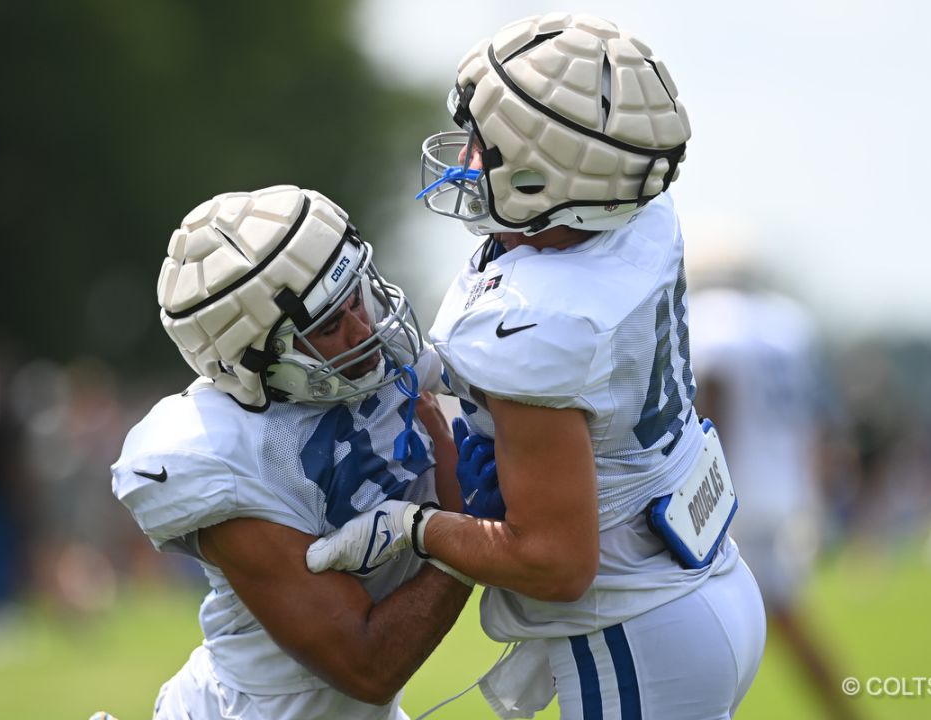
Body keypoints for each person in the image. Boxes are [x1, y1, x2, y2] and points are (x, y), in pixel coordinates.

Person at [308, 13, 766, 719]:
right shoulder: (635, 213)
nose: (464, 156)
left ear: (541, 171)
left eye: (485, 145)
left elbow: (556, 563)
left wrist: (417, 528)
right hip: (704, 581)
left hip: (633, 627)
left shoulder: (533, 320)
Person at [109, 184, 494, 720]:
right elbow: (369, 664)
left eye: (355, 296)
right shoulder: (223, 455)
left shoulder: (376, 358)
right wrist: (462, 541)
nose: (364, 329)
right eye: (329, 325)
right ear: (254, 359)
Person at [685, 236, 859, 720]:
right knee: (774, 614)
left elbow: (714, 410)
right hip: (786, 485)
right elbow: (815, 417)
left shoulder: (711, 319)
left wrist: (702, 488)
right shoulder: (788, 323)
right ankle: (842, 707)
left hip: (733, 490)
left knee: (694, 619)